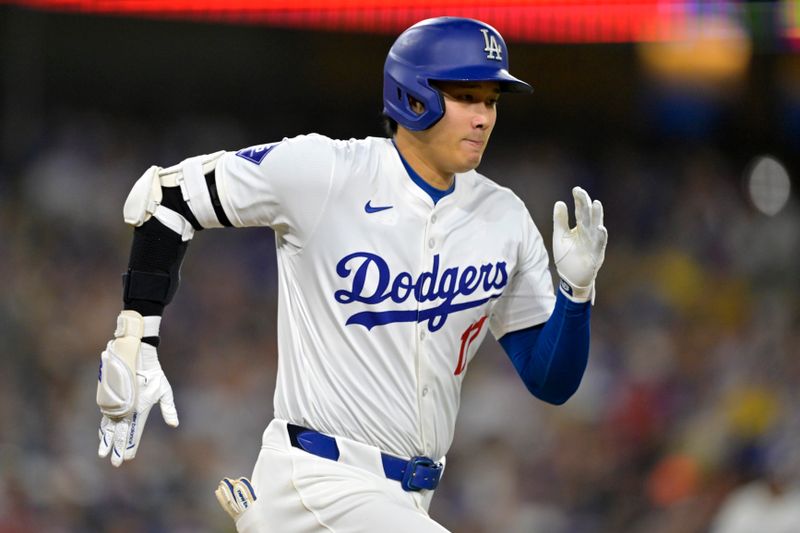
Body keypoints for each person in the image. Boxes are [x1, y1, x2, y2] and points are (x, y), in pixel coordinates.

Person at [95, 16, 607, 532]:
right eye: (467, 97)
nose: (483, 118)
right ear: (413, 97)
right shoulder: (328, 172)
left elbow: (552, 381)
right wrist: (136, 334)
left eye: (491, 101)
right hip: (319, 479)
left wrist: (576, 292)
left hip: (408, 500)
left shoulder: (504, 217)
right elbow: (164, 197)